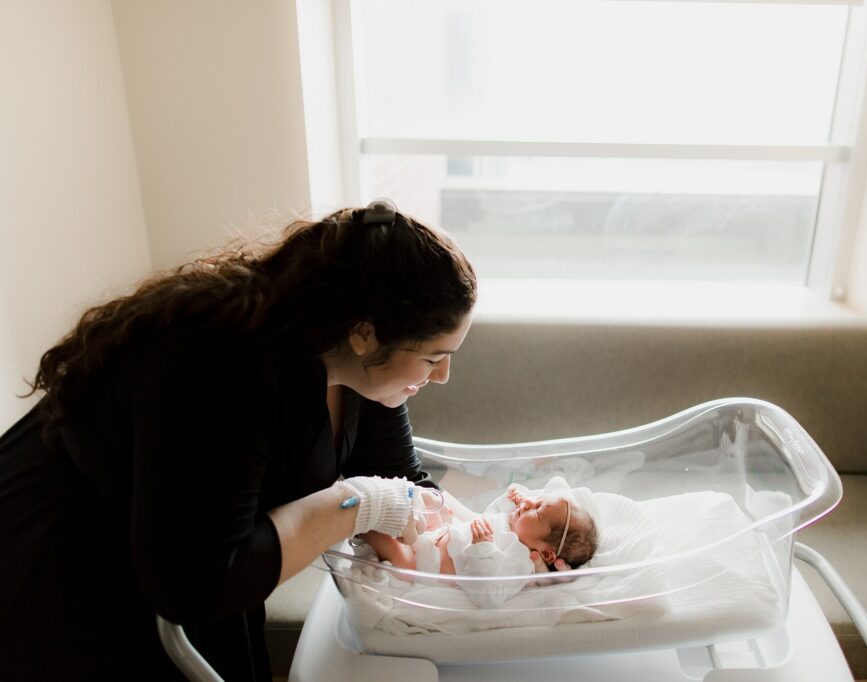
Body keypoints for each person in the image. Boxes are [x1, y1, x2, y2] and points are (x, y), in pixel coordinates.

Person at [0, 200, 476, 681]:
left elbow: (400, 482)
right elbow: (198, 584)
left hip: (197, 553)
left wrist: (486, 539)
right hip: (68, 559)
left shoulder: (361, 368)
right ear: (364, 334)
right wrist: (362, 504)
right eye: (435, 356)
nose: (443, 376)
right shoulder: (220, 365)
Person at [362, 482, 598, 608]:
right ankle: (383, 501)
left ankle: (362, 522)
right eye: (535, 501)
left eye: (536, 512)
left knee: (391, 547)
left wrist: (484, 549)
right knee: (428, 499)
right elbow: (489, 514)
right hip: (437, 535)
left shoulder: (521, 562)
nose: (527, 504)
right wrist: (511, 499)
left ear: (546, 552)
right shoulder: (512, 522)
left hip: (425, 566)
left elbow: (489, 597)